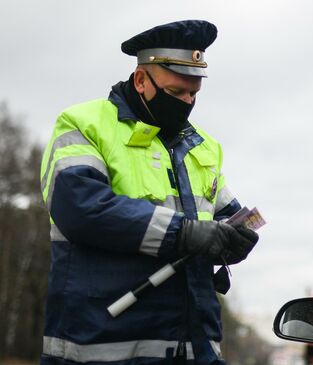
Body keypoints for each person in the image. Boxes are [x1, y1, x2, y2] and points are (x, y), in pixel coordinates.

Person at [39, 20, 258, 365]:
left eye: (193, 95)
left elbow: (224, 218)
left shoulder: (203, 147)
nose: (186, 103)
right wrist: (183, 233)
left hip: (197, 348)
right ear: (141, 80)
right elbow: (80, 209)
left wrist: (235, 240)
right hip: (103, 347)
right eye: (176, 93)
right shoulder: (84, 124)